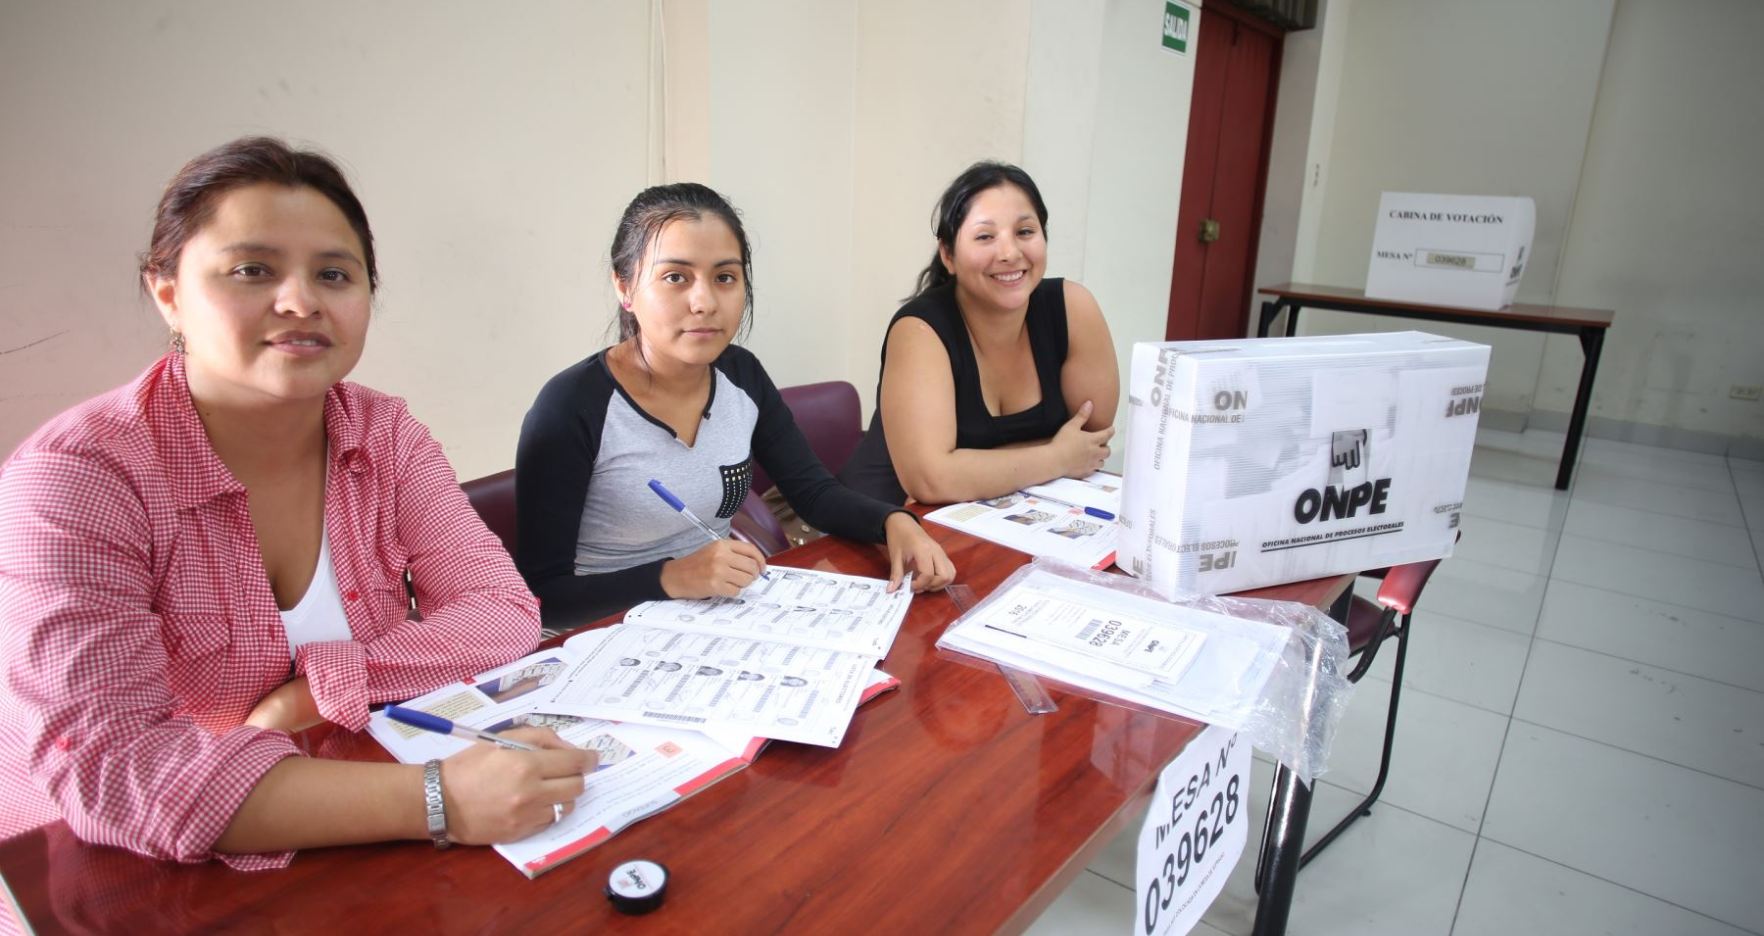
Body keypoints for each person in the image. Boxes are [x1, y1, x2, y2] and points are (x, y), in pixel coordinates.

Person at [0, 138, 594, 868]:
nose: (301, 301)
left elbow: (500, 611)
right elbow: (115, 770)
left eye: (334, 274)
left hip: (346, 805)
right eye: (252, 270)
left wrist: (313, 696)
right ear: (168, 291)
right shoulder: (77, 480)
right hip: (107, 871)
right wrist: (439, 799)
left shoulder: (385, 433)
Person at [516, 183, 956, 628]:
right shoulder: (572, 406)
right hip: (601, 638)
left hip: (716, 622)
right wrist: (669, 577)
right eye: (676, 278)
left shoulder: (741, 375)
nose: (704, 302)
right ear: (625, 286)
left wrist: (894, 522)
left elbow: (814, 494)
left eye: (724, 277)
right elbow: (543, 595)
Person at [839, 161, 1120, 505]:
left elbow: (1090, 443)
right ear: (948, 254)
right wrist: (1055, 457)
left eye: (1025, 232)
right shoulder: (920, 330)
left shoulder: (1073, 307)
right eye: (985, 236)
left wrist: (969, 466)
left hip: (1004, 515)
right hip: (882, 523)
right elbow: (931, 481)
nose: (1009, 253)